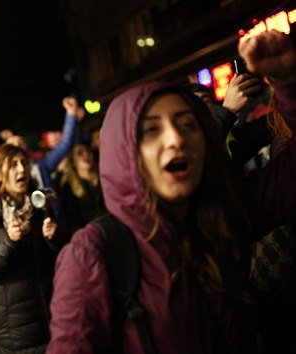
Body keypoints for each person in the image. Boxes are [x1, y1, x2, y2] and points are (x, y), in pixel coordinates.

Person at [47, 30, 296, 354]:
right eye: (152, 130)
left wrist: (288, 82)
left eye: (187, 124)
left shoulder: (226, 210)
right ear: (125, 152)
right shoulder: (94, 253)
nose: (176, 139)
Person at [0, 143, 63, 353]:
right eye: (13, 165)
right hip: (15, 332)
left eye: (24, 163)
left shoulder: (41, 208)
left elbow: (59, 262)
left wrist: (54, 239)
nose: (22, 169)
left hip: (52, 318)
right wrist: (10, 243)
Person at [54, 143, 105, 236]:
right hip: (88, 234)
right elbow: (72, 220)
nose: (86, 154)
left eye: (88, 152)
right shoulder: (69, 186)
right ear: (73, 162)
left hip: (108, 228)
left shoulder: (102, 178)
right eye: (80, 153)